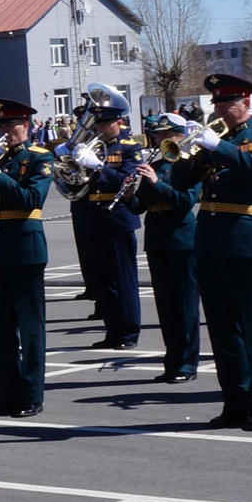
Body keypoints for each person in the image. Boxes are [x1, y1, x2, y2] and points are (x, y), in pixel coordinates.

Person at [164, 74, 252, 431]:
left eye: (227, 102)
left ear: (247, 104)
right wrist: (186, 149)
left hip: (245, 244)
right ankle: (235, 399)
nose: (220, 109)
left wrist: (221, 147)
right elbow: (181, 183)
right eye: (216, 103)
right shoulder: (212, 144)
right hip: (210, 243)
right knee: (222, 330)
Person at [0, 99, 53, 417]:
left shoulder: (39, 157)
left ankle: (32, 396)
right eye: (2, 125)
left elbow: (32, 198)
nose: (6, 131)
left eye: (12, 125)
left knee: (30, 328)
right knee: (1, 328)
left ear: (27, 126)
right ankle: (7, 395)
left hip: (25, 248)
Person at [129, 113, 201, 382]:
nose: (160, 139)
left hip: (181, 239)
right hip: (158, 238)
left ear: (180, 137)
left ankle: (187, 363)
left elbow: (184, 202)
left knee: (185, 305)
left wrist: (156, 183)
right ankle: (172, 361)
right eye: (158, 135)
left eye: (166, 135)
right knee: (166, 305)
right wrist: (127, 196)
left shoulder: (190, 164)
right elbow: (140, 205)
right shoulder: (156, 164)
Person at [76, 90, 143, 351]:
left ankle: (129, 332)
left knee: (123, 280)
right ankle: (112, 330)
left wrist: (97, 166)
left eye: (107, 123)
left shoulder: (130, 148)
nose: (102, 128)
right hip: (94, 217)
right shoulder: (92, 146)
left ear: (120, 122)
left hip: (119, 219)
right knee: (102, 281)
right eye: (99, 123)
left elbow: (126, 180)